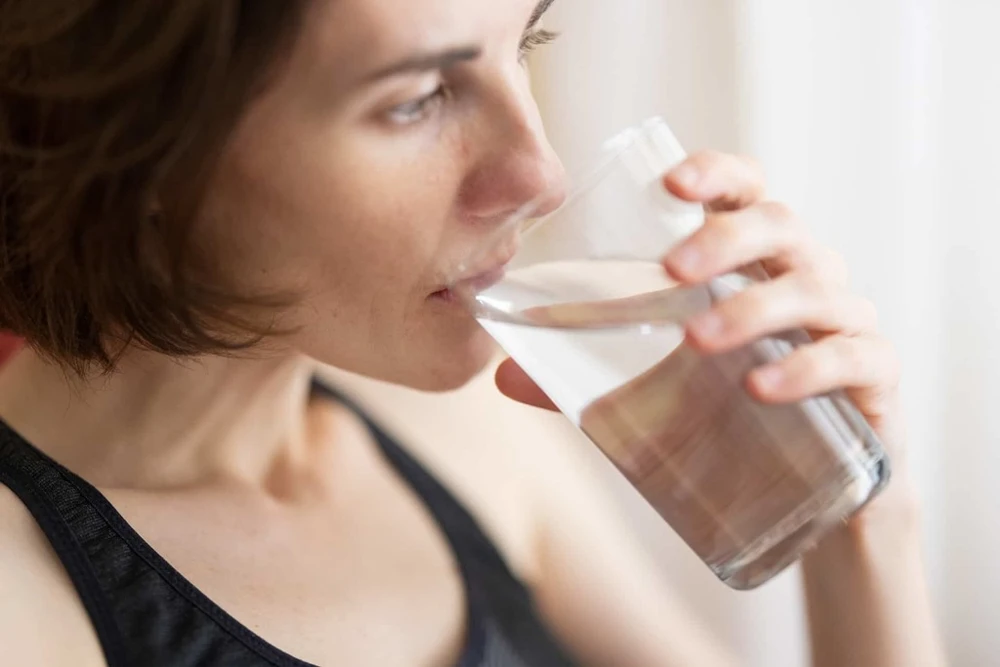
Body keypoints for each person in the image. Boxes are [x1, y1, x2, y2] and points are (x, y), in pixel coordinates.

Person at [0, 2, 946, 666]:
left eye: (524, 39)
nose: (541, 173)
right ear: (138, 151)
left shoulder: (461, 431)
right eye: (416, 98)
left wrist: (863, 524)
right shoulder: (26, 600)